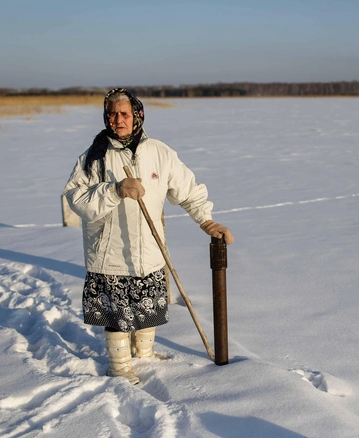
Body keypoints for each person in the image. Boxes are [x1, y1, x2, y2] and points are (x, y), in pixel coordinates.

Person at [63, 88, 233, 385]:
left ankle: (144, 355)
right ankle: (119, 367)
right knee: (117, 316)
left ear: (137, 115)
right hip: (110, 255)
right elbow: (76, 199)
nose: (117, 119)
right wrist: (114, 190)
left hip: (150, 251)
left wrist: (206, 220)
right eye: (112, 114)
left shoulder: (159, 152)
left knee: (148, 308)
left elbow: (188, 189)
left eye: (124, 114)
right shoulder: (94, 158)